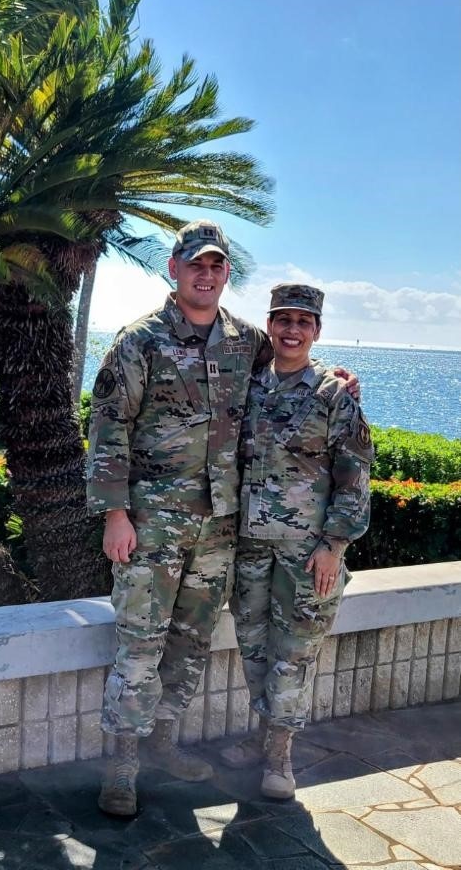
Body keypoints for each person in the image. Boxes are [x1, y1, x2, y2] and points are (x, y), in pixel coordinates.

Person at [87, 225, 358, 817]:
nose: (205, 275)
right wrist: (114, 513)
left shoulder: (245, 339)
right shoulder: (140, 341)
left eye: (216, 266)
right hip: (151, 525)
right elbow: (108, 427)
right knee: (139, 642)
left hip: (220, 532)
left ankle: (161, 747)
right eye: (195, 265)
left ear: (226, 274)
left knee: (189, 643)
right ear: (173, 267)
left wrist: (339, 375)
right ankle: (123, 767)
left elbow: (295, 360)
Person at [220, 283, 373, 800]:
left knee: (295, 653)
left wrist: (335, 546)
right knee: (255, 648)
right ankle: (261, 735)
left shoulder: (333, 393)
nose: (291, 329)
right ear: (270, 325)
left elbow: (354, 475)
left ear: (317, 331)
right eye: (283, 319)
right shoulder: (249, 386)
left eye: (302, 322)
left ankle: (280, 756)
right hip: (249, 546)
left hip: (308, 553)